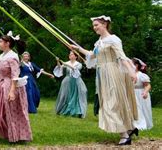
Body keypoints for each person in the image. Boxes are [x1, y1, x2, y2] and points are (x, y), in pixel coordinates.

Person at [71, 15, 138, 145]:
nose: (94, 27)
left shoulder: (113, 39)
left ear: (105, 24)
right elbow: (92, 55)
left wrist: (131, 72)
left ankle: (125, 134)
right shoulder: (99, 42)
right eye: (94, 26)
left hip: (112, 72)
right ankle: (129, 128)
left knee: (112, 103)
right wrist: (78, 48)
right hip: (102, 74)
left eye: (96, 25)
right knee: (109, 102)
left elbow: (121, 57)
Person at [53, 51, 88, 118]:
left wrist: (66, 65)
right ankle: (64, 110)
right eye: (70, 55)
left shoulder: (78, 64)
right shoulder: (66, 62)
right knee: (65, 95)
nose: (70, 56)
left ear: (76, 56)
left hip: (76, 81)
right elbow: (60, 67)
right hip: (67, 81)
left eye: (72, 54)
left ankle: (77, 111)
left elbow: (75, 69)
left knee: (78, 94)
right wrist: (58, 61)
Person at [131, 58, 152, 132]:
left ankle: (144, 124)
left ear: (136, 65)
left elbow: (148, 85)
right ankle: (134, 124)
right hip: (132, 93)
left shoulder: (141, 75)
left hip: (140, 93)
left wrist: (145, 92)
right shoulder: (130, 74)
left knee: (143, 109)